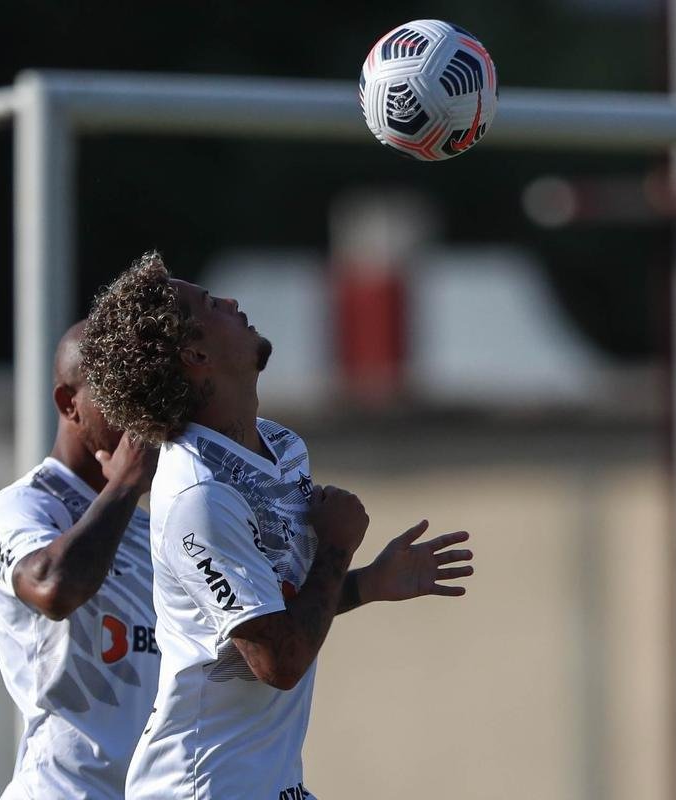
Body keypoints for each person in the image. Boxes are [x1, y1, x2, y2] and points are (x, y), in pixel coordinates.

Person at [81, 252, 474, 800]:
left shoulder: (280, 446)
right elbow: (277, 660)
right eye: (211, 304)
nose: (232, 302)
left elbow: (279, 610)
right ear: (196, 354)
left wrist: (367, 583)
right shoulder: (199, 496)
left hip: (271, 784)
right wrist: (335, 547)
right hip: (203, 788)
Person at [0, 320, 160, 800]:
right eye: (117, 393)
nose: (137, 413)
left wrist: (344, 572)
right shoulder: (26, 506)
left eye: (143, 394)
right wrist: (125, 483)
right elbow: (53, 588)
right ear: (68, 403)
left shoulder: (146, 526)